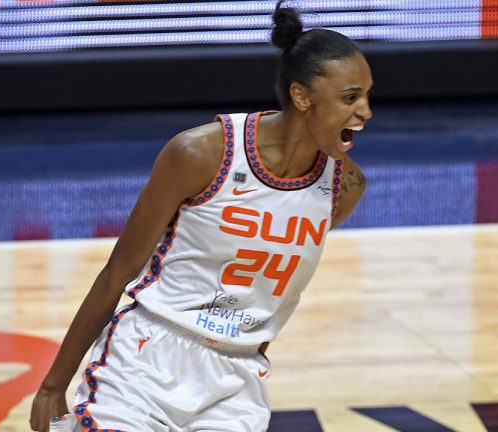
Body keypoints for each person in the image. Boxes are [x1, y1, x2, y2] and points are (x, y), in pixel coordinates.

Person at [29, 1, 373, 430]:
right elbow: (118, 272)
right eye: (349, 97)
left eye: (366, 95)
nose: (365, 111)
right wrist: (52, 384)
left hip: (236, 378)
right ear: (301, 96)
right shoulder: (201, 154)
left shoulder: (345, 187)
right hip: (148, 357)